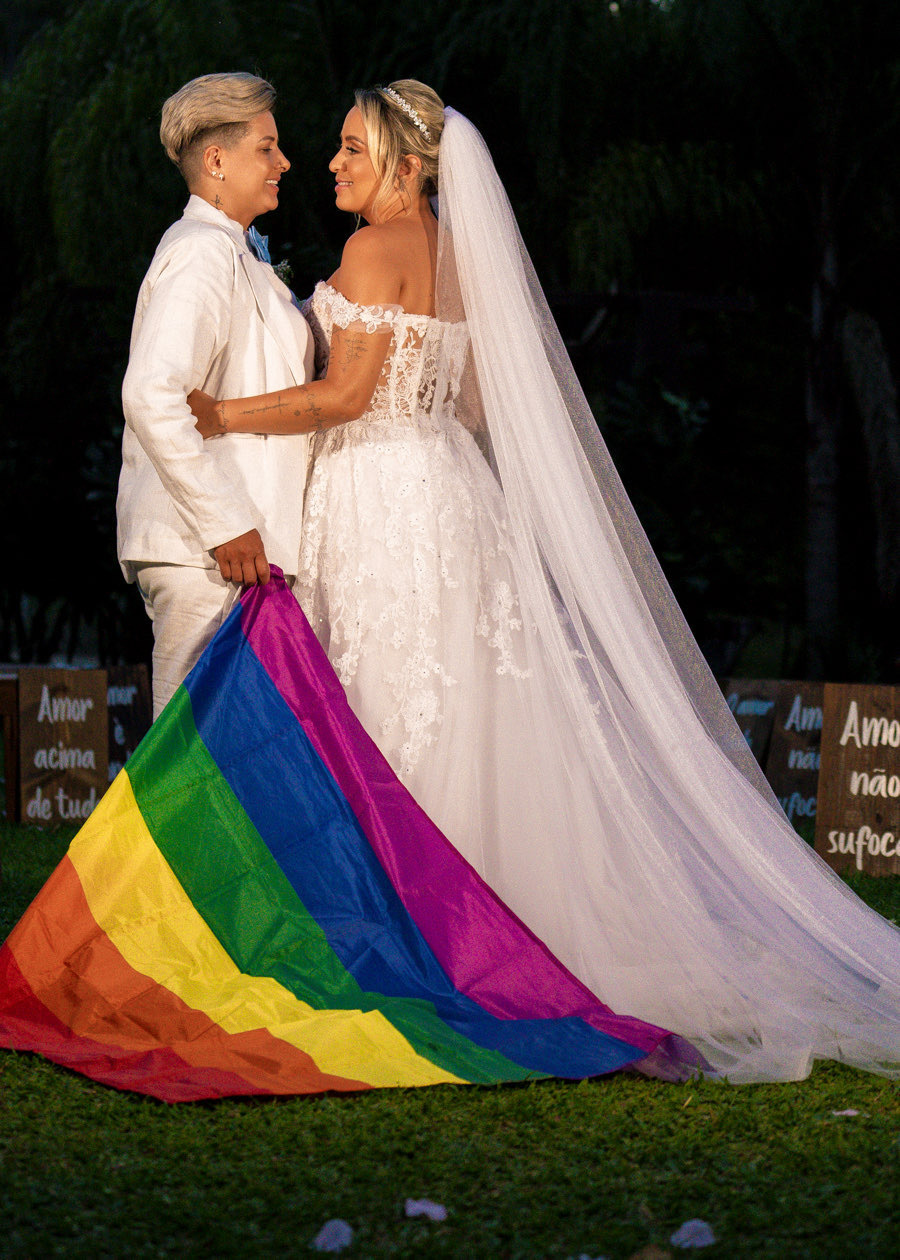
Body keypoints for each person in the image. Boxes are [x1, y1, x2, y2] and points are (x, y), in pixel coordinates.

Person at [188, 79, 900, 1085]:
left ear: (404, 163)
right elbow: (480, 405)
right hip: (448, 492)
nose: (333, 163)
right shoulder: (455, 254)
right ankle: (479, 929)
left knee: (386, 707)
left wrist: (222, 414)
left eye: (351, 147)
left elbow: (343, 394)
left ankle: (413, 943)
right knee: (464, 707)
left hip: (384, 498)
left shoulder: (372, 248)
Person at [118, 72, 314, 717]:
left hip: (230, 554)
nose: (284, 162)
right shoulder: (202, 251)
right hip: (205, 553)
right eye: (267, 147)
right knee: (190, 754)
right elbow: (152, 394)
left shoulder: (232, 250)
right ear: (216, 161)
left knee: (229, 753)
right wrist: (224, 524)